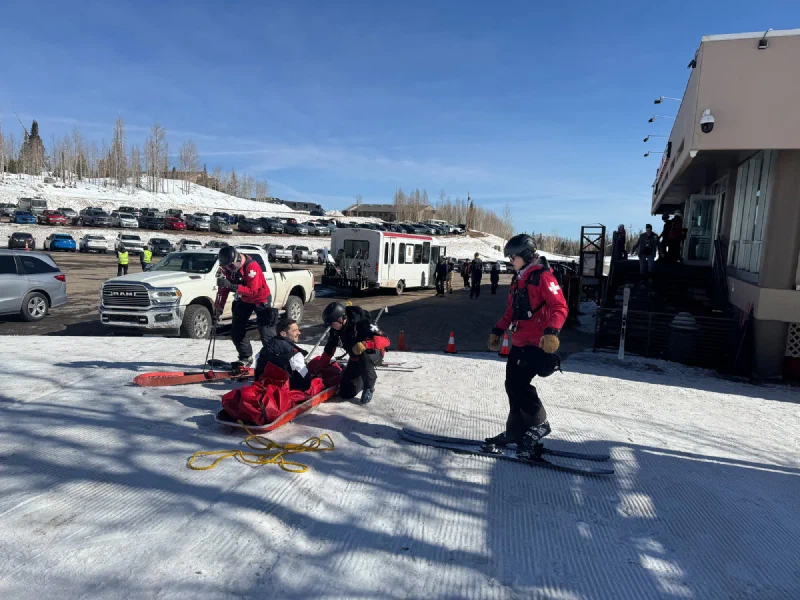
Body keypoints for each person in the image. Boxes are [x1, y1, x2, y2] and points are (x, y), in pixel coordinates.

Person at [486, 234, 568, 458]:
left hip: (537, 343)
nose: (510, 261)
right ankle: (515, 431)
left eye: (512, 257)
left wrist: (552, 332)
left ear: (524, 255)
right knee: (511, 385)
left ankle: (539, 424)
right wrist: (498, 330)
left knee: (521, 386)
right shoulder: (518, 279)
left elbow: (560, 307)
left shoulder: (543, 277)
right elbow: (512, 311)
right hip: (518, 342)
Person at [214, 246, 275, 371]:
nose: (228, 270)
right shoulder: (228, 269)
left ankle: (273, 360)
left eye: (230, 267)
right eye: (225, 267)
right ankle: (245, 357)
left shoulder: (252, 266)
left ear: (237, 260)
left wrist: (232, 286)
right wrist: (218, 309)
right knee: (236, 330)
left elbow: (253, 291)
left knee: (266, 332)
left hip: (260, 298)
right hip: (243, 299)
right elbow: (223, 290)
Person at [320, 302, 390, 404]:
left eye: (332, 323)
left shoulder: (364, 322)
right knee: (346, 393)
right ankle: (362, 377)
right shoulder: (336, 329)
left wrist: (365, 344)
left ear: (340, 319)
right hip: (356, 357)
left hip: (373, 353)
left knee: (364, 356)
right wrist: (321, 367)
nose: (331, 326)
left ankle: (369, 387)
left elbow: (385, 340)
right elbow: (329, 348)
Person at [254, 317, 311, 390]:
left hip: (264, 386)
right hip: (288, 389)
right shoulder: (294, 355)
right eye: (295, 330)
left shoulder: (264, 350)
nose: (299, 332)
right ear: (283, 334)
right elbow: (306, 380)